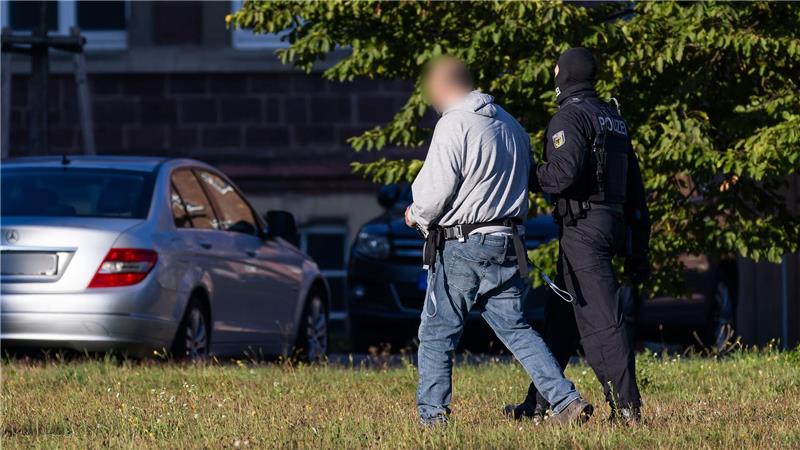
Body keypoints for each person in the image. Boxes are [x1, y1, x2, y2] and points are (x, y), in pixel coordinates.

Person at [405, 55, 593, 427]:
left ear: (445, 86)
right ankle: (565, 400)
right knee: (516, 328)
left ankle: (433, 419)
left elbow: (436, 191)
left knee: (438, 330)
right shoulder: (511, 125)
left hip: (463, 243)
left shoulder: (454, 124)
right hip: (508, 241)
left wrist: (417, 214)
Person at [505, 47, 651, 426]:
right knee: (562, 321)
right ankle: (538, 404)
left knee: (602, 321)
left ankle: (627, 410)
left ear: (565, 76)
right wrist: (640, 245)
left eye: (556, 71)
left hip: (584, 231)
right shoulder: (611, 118)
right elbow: (635, 187)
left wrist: (525, 172)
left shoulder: (570, 116)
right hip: (607, 224)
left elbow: (562, 176)